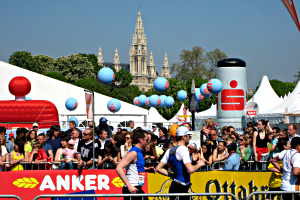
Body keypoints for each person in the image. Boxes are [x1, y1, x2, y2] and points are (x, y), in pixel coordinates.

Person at [156, 126, 205, 200]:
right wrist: (199, 164)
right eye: (189, 136)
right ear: (184, 137)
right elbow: (190, 170)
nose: (190, 138)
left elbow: (158, 168)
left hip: (174, 187)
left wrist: (172, 175)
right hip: (182, 188)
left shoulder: (170, 150)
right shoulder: (184, 149)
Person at [116, 129, 148, 200]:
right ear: (140, 140)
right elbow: (119, 168)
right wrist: (129, 186)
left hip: (137, 187)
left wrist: (147, 169)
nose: (147, 142)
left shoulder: (139, 152)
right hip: (132, 188)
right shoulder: (133, 152)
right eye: (146, 140)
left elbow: (135, 168)